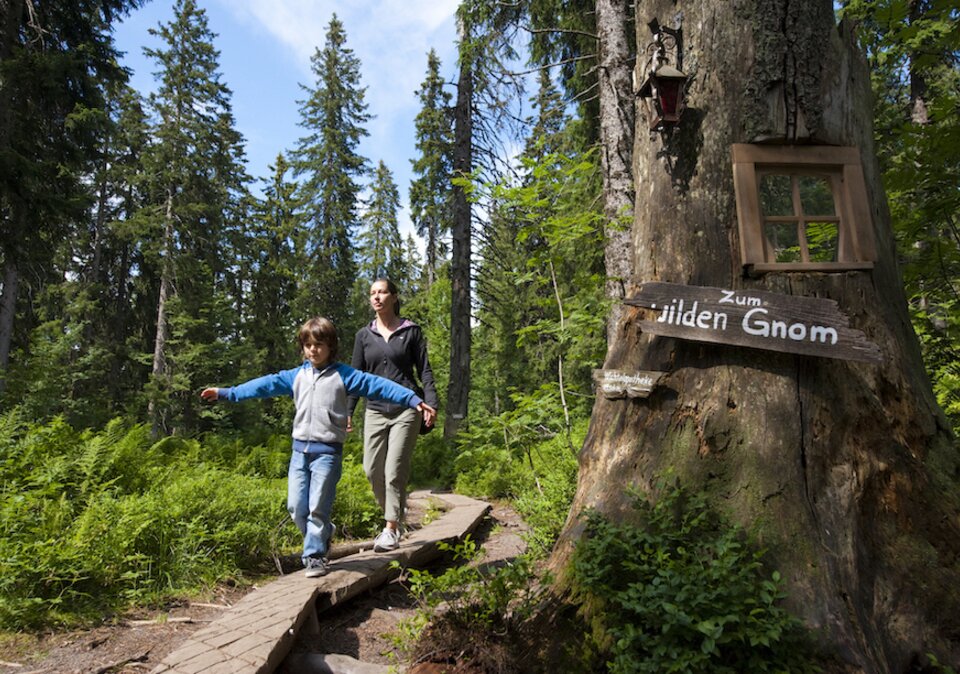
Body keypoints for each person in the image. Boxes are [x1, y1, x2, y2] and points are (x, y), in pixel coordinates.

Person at [201, 316, 436, 578]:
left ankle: (314, 556)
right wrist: (227, 393)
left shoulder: (344, 376)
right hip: (299, 452)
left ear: (331, 347)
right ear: (303, 347)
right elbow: (263, 385)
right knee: (295, 507)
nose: (314, 349)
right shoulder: (296, 376)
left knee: (317, 508)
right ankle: (323, 534)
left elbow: (379, 385)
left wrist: (413, 398)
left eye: (320, 344)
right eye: (308, 344)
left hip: (327, 453)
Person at [347, 279, 439, 553]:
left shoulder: (411, 331)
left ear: (394, 296)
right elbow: (355, 378)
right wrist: (348, 411)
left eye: (382, 292)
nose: (377, 297)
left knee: (394, 469)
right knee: (372, 469)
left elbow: (425, 371)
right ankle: (396, 513)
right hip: (375, 409)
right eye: (373, 293)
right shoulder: (364, 335)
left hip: (407, 408)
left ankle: (390, 529)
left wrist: (431, 403)